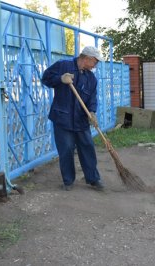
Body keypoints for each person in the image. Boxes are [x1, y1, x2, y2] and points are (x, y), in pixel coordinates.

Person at [41, 46, 105, 191]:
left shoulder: (91, 78)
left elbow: (92, 98)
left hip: (81, 119)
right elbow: (45, 78)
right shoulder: (63, 65)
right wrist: (60, 79)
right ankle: (68, 181)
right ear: (87, 58)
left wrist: (92, 112)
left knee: (87, 147)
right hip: (62, 117)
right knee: (66, 149)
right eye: (95, 61)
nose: (96, 65)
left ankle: (93, 179)